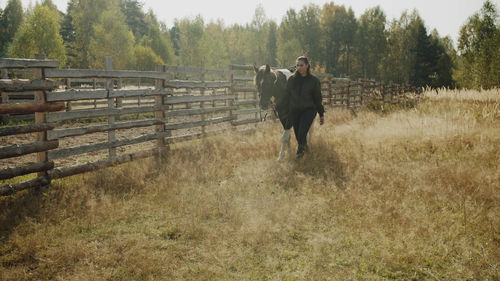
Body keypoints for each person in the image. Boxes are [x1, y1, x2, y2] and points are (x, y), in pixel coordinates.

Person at [282, 56, 325, 158]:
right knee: (298, 135)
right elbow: (286, 94)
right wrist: (278, 103)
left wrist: (321, 114)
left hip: (309, 110)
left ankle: (299, 154)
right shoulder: (292, 80)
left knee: (302, 133)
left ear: (307, 65)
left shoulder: (314, 81)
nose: (299, 67)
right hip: (295, 111)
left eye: (301, 65)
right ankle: (306, 150)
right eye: (297, 65)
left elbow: (318, 99)